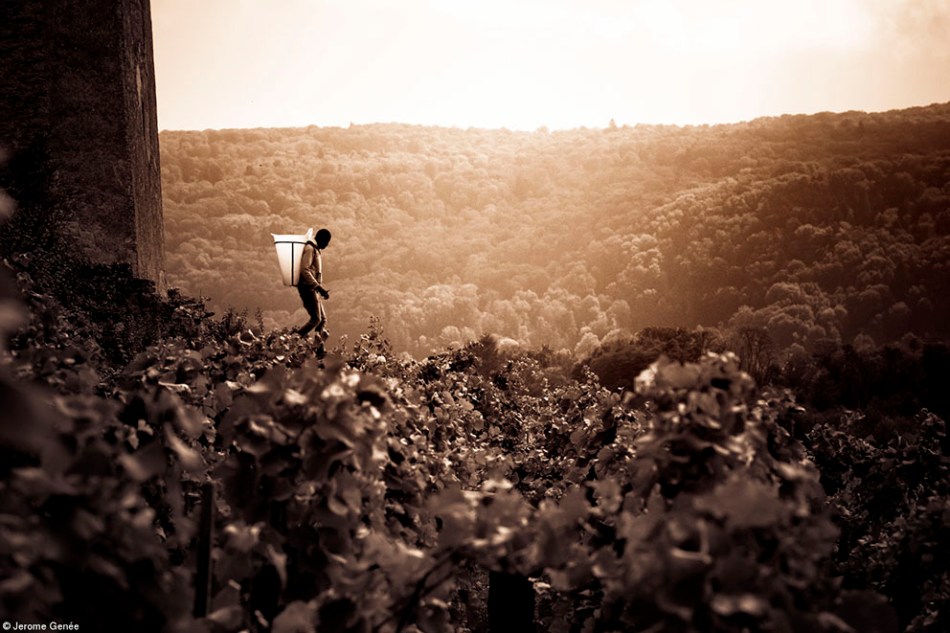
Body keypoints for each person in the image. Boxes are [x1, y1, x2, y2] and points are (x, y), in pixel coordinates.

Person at [297, 228, 331, 350]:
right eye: (326, 242)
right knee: (316, 319)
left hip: (314, 289)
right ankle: (292, 339)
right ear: (321, 239)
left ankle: (317, 347)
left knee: (323, 320)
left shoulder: (316, 250)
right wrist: (318, 287)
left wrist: (320, 290)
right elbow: (304, 270)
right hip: (307, 288)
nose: (327, 245)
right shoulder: (310, 249)